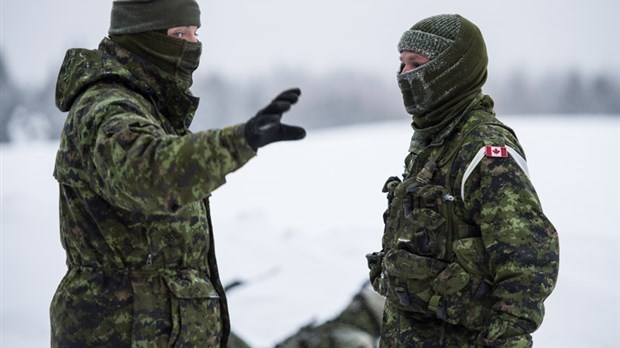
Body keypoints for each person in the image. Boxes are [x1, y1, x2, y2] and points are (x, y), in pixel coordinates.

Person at [50, 0, 305, 346]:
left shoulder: (152, 109)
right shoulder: (107, 108)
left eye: (195, 34)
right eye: (178, 34)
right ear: (141, 34)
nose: (191, 46)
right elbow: (150, 172)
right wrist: (236, 142)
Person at [366, 14, 559, 347]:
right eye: (401, 64)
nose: (404, 75)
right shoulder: (433, 140)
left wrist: (506, 337)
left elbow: (527, 259)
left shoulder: (483, 147)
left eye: (415, 63)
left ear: (450, 68)